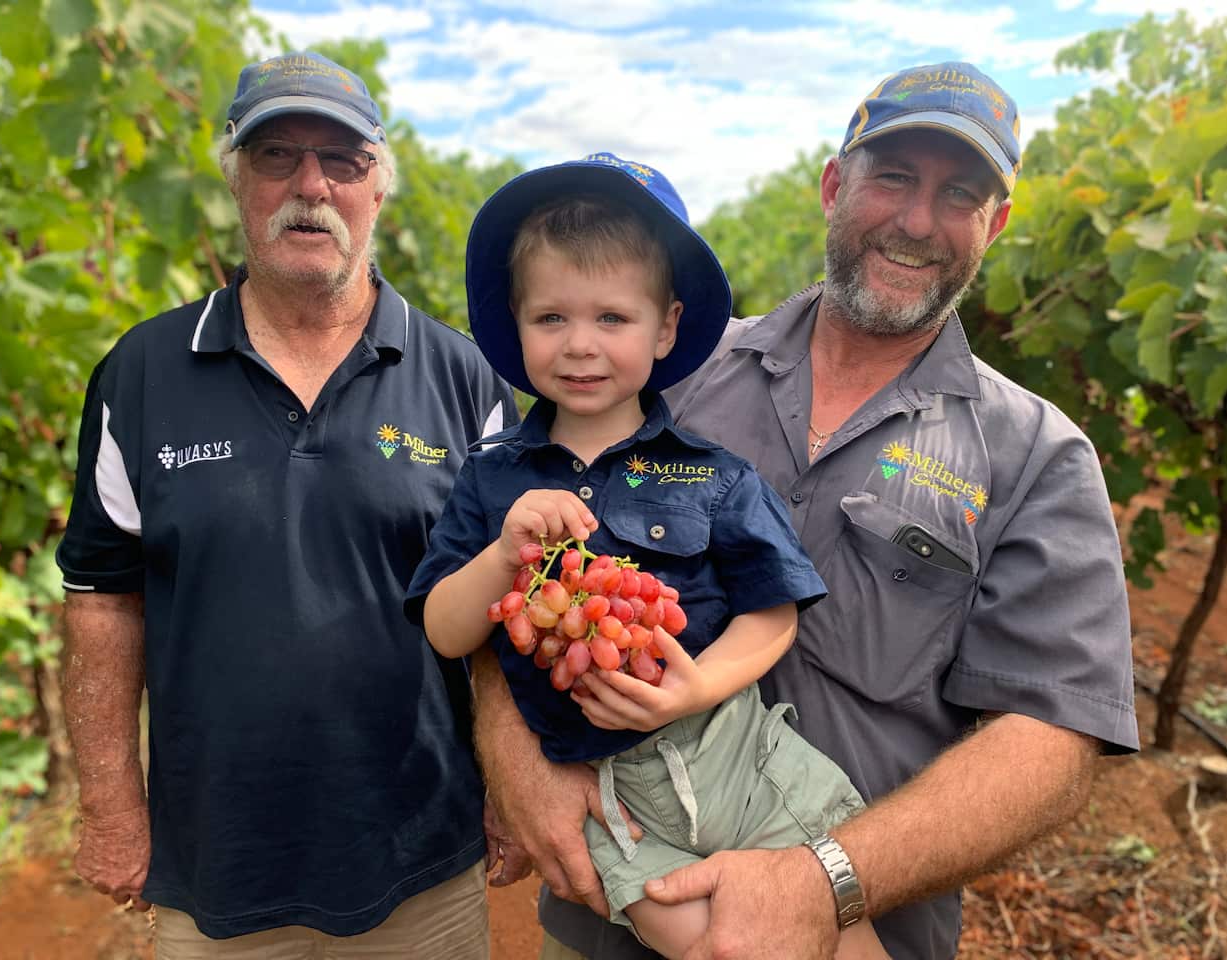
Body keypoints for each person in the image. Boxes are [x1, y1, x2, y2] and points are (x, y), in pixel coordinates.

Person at [473, 62, 1141, 960]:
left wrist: (825, 876)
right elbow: (512, 560)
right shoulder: (661, 378)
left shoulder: (1037, 458)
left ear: (997, 223)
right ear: (834, 186)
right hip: (611, 917)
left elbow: (1050, 740)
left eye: (961, 194)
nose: (915, 220)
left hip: (838, 936)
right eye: (893, 176)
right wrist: (513, 749)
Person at [55, 51, 517, 958]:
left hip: (422, 860)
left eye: (341, 160)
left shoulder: (463, 378)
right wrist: (110, 806)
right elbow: (104, 601)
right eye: (277, 157)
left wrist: (512, 780)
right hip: (217, 867)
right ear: (236, 180)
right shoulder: (142, 373)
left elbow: (505, 605)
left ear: (377, 186)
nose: (311, 185)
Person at [404, 152, 889, 960]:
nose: (580, 346)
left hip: (737, 755)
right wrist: (502, 557)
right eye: (551, 319)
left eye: (612, 319)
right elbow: (444, 630)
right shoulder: (492, 480)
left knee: (840, 931)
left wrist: (696, 685)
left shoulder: (713, 472)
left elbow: (774, 611)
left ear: (664, 326)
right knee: (704, 945)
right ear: (515, 325)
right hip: (605, 797)